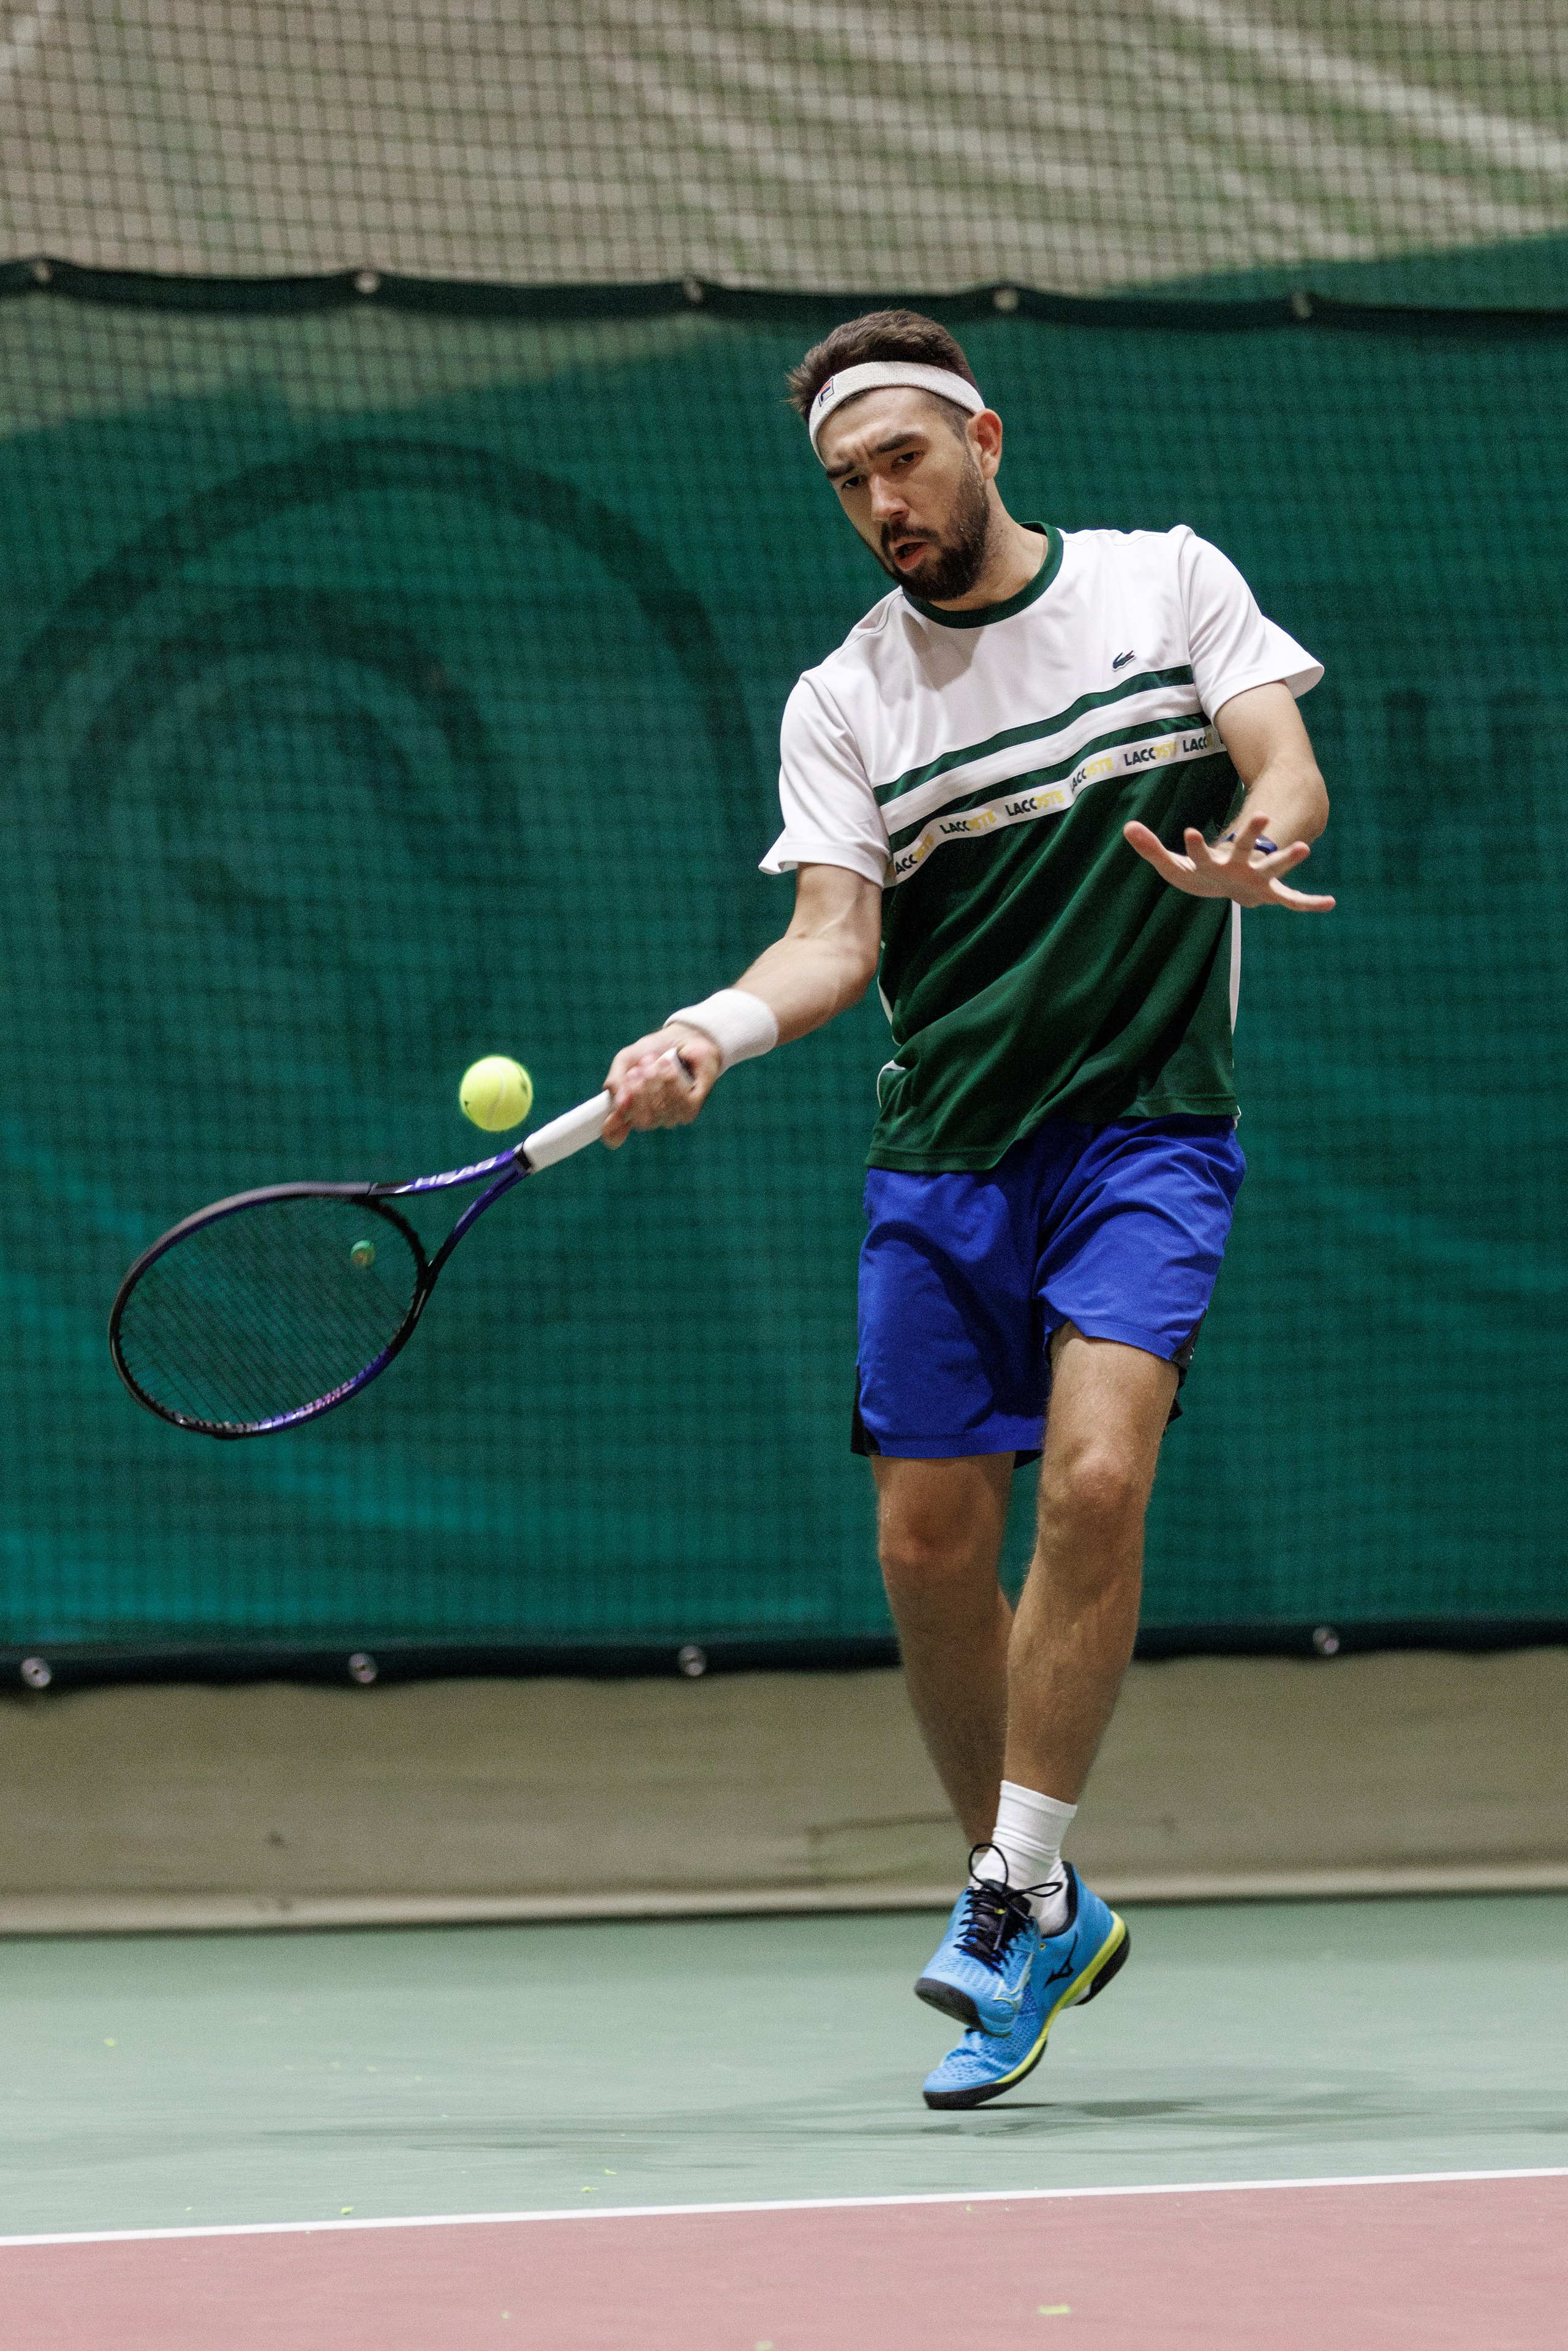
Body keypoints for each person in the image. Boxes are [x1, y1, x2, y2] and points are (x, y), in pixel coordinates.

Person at [602, 309, 1332, 2110]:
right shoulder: (847, 695)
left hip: (1146, 1125)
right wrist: (707, 1031)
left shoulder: (1164, 584)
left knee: (1094, 1477)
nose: (880, 504)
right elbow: (833, 942)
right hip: (948, 1150)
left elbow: (1282, 760)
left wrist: (1266, 836)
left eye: (904, 461)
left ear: (984, 436)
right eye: (849, 482)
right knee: (931, 1543)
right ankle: (1046, 1894)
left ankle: (1005, 1896)